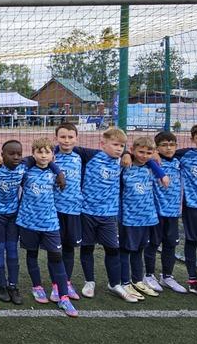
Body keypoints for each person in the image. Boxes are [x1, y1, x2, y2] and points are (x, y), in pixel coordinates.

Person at [17, 138, 77, 317]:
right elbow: (20, 165)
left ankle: (62, 295)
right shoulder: (26, 171)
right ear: (33, 153)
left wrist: (57, 170)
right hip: (28, 221)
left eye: (47, 152)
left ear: (53, 154)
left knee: (56, 256)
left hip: (50, 222)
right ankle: (37, 286)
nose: (43, 155)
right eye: (39, 152)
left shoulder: (56, 173)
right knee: (32, 253)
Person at [78, 127, 133, 302]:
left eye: (122, 146)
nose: (119, 148)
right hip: (87, 211)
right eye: (115, 144)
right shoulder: (91, 155)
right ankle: (89, 282)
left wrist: (128, 154)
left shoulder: (123, 161)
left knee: (112, 248)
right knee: (87, 247)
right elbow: (65, 146)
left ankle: (114, 283)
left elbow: (145, 158)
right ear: (103, 144)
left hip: (109, 214)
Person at [118, 137, 169, 301]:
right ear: (133, 150)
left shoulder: (151, 167)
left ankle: (137, 280)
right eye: (141, 152)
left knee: (139, 250)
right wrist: (125, 153)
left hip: (147, 217)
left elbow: (154, 165)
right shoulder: (125, 166)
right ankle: (124, 282)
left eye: (149, 152)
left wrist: (160, 172)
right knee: (126, 250)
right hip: (129, 218)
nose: (144, 155)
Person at [145, 131, 187, 294]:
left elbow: (192, 150)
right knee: (153, 244)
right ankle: (148, 275)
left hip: (173, 213)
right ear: (157, 147)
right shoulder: (152, 161)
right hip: (155, 212)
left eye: (172, 144)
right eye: (164, 145)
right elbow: (133, 152)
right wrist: (153, 153)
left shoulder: (179, 160)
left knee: (170, 245)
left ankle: (167, 276)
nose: (169, 148)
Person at [0, 140, 26, 304]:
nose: (16, 157)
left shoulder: (24, 167)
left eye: (19, 153)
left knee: (12, 251)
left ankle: (13, 285)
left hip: (13, 216)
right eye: (11, 154)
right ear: (2, 155)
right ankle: (1, 286)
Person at [52, 123, 84, 300]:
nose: (66, 140)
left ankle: (67, 282)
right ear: (56, 138)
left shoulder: (81, 156)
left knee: (69, 248)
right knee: (55, 250)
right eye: (63, 137)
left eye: (70, 137)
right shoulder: (51, 155)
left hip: (74, 210)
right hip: (54, 210)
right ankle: (56, 285)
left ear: (76, 138)